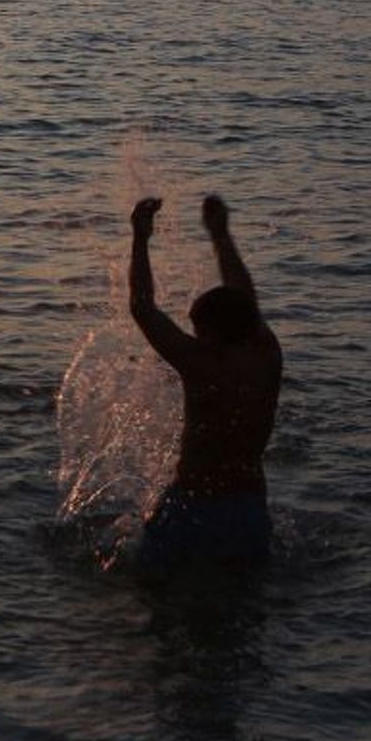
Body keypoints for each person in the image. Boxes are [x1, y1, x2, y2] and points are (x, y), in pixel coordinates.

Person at [127, 194, 282, 572]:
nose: (194, 337)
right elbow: (244, 298)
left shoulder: (202, 364)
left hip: (192, 506)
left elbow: (142, 306)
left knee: (158, 597)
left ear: (210, 332)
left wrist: (140, 238)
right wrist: (220, 235)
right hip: (248, 508)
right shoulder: (267, 355)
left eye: (198, 330)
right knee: (242, 607)